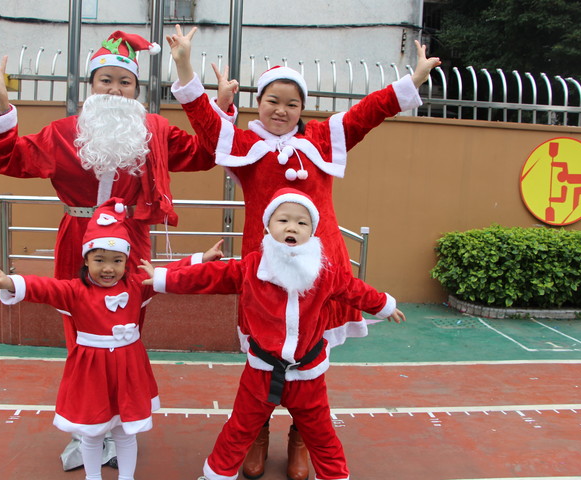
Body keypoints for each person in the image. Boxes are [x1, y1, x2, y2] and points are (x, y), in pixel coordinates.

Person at [166, 25, 439, 480]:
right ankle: (257, 433)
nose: (282, 110)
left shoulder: (321, 141)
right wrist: (184, 66)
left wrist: (410, 81)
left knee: (310, 359)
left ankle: (301, 437)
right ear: (259, 102)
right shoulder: (245, 145)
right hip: (265, 272)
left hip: (321, 272)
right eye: (273, 100)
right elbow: (207, 124)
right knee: (266, 355)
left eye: (292, 103)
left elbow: (365, 114)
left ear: (302, 109)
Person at [0, 30, 232, 470]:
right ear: (90, 87)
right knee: (80, 337)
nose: (115, 90)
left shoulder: (153, 130)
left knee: (127, 331)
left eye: (124, 82)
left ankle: (118, 422)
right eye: (105, 81)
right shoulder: (64, 133)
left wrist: (220, 108)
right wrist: (2, 107)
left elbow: (203, 153)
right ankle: (86, 428)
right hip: (78, 241)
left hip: (131, 242)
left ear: (137, 89)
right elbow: (10, 159)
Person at [141, 188, 406, 480]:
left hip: (308, 374)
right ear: (268, 226)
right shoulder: (252, 267)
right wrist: (166, 277)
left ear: (313, 232)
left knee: (321, 433)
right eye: (283, 220)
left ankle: (332, 474)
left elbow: (354, 289)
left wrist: (383, 304)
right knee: (240, 427)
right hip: (262, 372)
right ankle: (218, 473)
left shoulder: (324, 271)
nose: (292, 227)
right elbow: (210, 276)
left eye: (302, 222)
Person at [0, 197, 224, 480]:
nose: (108, 268)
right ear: (86, 259)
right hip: (91, 370)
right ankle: (92, 476)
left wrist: (201, 259)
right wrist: (8, 281)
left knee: (125, 431)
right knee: (92, 432)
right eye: (100, 260)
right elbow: (41, 287)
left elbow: (171, 272)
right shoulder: (74, 291)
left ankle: (126, 477)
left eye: (117, 261)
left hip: (129, 369)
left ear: (126, 261)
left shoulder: (136, 285)